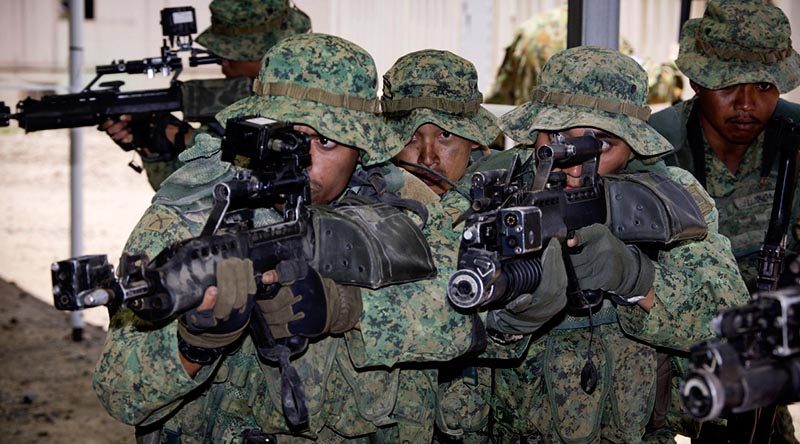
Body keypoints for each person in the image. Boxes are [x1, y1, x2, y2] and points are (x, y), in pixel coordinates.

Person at [92, 33, 484, 443]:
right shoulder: (193, 215)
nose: (303, 159)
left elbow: (470, 311)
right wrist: (195, 346)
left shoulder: (403, 199)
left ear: (363, 147)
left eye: (326, 141)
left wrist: (348, 306)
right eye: (287, 137)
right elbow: (121, 394)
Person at [480, 46, 749, 443]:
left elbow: (733, 327)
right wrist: (505, 321)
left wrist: (637, 279)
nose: (573, 166)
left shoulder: (667, 197)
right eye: (556, 137)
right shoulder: (490, 189)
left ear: (633, 146)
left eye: (601, 145)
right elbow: (431, 318)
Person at [648, 1, 800, 442]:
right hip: (666, 369)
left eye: (764, 85)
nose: (747, 103)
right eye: (729, 85)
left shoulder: (795, 144)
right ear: (697, 80)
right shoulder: (654, 151)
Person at [101, 0, 311, 190]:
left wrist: (185, 138)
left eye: (230, 57)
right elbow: (181, 190)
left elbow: (271, 173)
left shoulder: (313, 97)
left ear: (270, 53)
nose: (224, 67)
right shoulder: (234, 111)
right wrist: (152, 145)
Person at [486, 5, 683, 107]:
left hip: (532, 143)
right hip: (580, 147)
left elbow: (500, 98)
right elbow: (648, 85)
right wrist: (675, 66)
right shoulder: (603, 36)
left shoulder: (529, 32)